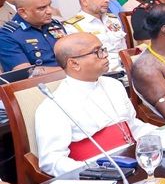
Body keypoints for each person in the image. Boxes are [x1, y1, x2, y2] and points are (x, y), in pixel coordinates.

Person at [35, 33, 157, 176]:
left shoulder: (114, 85)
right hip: (99, 175)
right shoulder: (54, 106)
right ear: (74, 63)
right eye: (97, 52)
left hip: (136, 161)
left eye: (103, 49)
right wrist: (95, 172)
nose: (105, 55)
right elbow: (52, 161)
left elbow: (133, 126)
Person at [0, 0, 67, 74]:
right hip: (44, 81)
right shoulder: (7, 35)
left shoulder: (55, 25)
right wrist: (69, 71)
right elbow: (26, 72)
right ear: (23, 12)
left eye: (49, 5)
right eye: (42, 8)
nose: (50, 11)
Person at [62, 0, 127, 73]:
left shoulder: (112, 19)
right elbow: (81, 63)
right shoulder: (73, 27)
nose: (107, 0)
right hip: (102, 73)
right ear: (85, 1)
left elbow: (124, 48)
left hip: (125, 67)